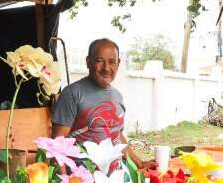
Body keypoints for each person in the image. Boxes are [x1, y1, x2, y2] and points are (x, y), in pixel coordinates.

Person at [51, 38, 153, 169]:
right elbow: (58, 143)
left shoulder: (117, 97)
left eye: (112, 62)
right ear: (88, 62)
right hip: (83, 179)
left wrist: (139, 163)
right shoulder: (72, 93)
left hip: (114, 180)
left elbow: (116, 135)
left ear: (118, 64)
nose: (106, 68)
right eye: (99, 61)